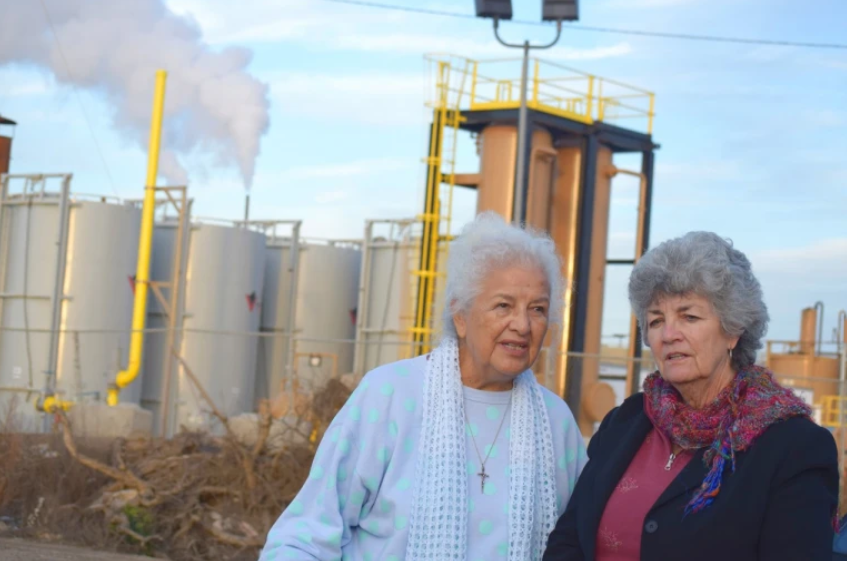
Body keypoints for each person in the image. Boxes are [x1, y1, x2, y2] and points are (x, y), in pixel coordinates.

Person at [260, 212, 587, 561]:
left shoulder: (555, 422)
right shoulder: (390, 395)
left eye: (537, 309)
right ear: (460, 316)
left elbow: (583, 539)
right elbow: (305, 535)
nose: (522, 325)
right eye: (503, 305)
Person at [543, 231, 839, 561]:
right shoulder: (626, 420)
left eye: (689, 317)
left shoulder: (793, 447)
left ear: (733, 330)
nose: (669, 334)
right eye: (656, 320)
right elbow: (570, 537)